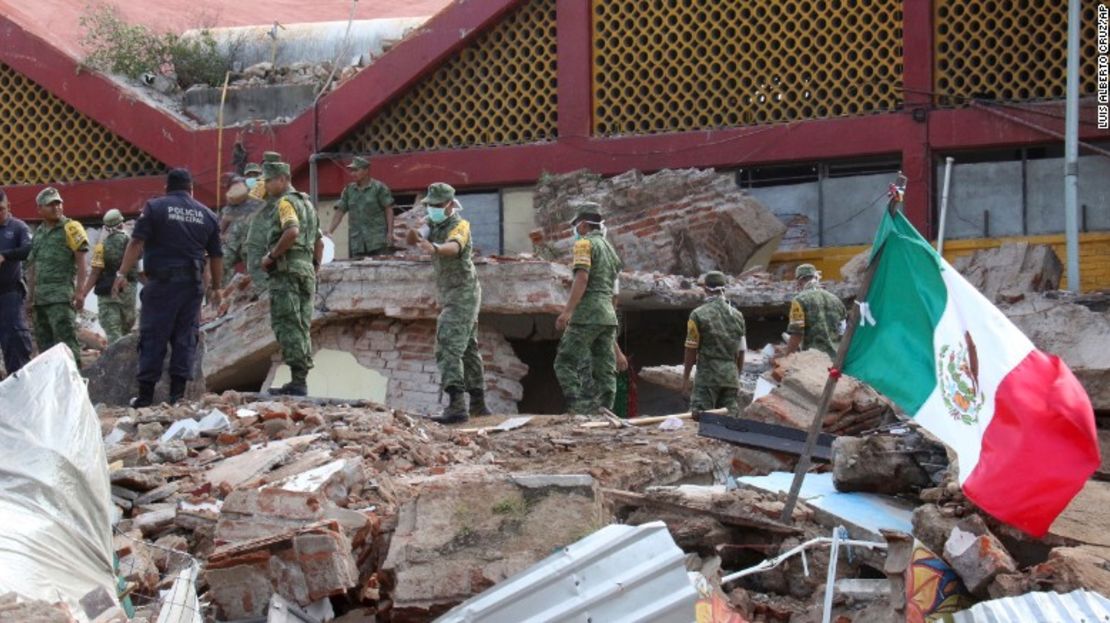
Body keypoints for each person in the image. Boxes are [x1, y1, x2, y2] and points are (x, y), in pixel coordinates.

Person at [113, 169, 222, 407]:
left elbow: (136, 242)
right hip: (192, 286)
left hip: (162, 284)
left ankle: (145, 397)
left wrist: (122, 273)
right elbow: (216, 255)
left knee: (154, 335)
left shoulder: (156, 207)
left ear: (167, 188)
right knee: (185, 337)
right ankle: (177, 397)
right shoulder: (207, 215)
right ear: (191, 189)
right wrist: (217, 287)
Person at [405, 182, 490, 423]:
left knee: (447, 344)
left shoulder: (460, 226)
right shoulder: (432, 222)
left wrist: (434, 247)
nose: (432, 209)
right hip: (452, 294)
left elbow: (453, 247)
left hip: (464, 293)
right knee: (469, 348)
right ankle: (478, 404)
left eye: (438, 205)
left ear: (451, 204)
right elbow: (416, 236)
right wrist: (415, 234)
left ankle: (456, 406)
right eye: (430, 205)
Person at [553, 201, 628, 415]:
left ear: (584, 225)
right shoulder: (609, 249)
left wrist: (567, 311)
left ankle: (579, 407)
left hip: (588, 314)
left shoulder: (584, 244)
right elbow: (614, 290)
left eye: (577, 225)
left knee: (564, 361)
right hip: (607, 316)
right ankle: (605, 410)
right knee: (604, 366)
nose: (576, 230)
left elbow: (582, 278)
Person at [259, 160, 323, 396]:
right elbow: (319, 241)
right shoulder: (307, 204)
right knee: (302, 324)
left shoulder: (285, 203)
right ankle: (300, 378)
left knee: (288, 324)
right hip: (305, 270)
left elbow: (292, 230)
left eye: (269, 180)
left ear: (283, 179)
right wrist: (313, 267)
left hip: (286, 272)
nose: (266, 185)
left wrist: (271, 256)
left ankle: (298, 381)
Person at [27, 187, 88, 367]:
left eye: (58, 203)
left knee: (67, 346)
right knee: (46, 351)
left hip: (61, 299)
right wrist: (30, 298)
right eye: (50, 205)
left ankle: (76, 387)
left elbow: (82, 262)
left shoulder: (72, 227)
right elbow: (32, 267)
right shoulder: (39, 233)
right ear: (40, 209)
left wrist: (80, 292)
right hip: (40, 301)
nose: (56, 208)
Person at [682, 271, 746, 415]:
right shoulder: (737, 315)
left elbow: (691, 349)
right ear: (724, 288)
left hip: (707, 378)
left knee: (701, 420)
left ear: (705, 288)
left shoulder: (698, 314)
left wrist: (686, 379)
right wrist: (737, 377)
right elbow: (741, 350)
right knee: (729, 423)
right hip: (730, 377)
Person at [81, 209, 137, 344]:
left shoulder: (101, 247)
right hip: (128, 294)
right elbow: (139, 272)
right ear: (121, 224)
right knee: (126, 334)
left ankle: (115, 363)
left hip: (107, 296)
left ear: (106, 227)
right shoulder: (132, 245)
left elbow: (95, 273)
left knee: (113, 335)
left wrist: (82, 295)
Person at [325, 156, 395, 258]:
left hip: (377, 241)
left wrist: (390, 233)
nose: (353, 174)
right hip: (357, 242)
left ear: (366, 170)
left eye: (356, 170)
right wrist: (330, 231)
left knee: (379, 269)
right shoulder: (349, 190)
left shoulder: (379, 188)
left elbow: (388, 210)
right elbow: (340, 211)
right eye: (352, 171)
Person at [244, 152, 289, 293]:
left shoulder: (263, 182)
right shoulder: (284, 181)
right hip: (279, 230)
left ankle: (265, 293)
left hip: (261, 231)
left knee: (256, 266)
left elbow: (251, 203)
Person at [0, 189, 33, 375]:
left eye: (1, 209)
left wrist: (5, 255)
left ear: (9, 207)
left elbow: (29, 248)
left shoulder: (18, 227)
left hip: (10, 293)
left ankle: (19, 381)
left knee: (14, 340)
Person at [785, 263, 846, 359]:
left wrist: (787, 359)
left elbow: (797, 333)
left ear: (800, 281)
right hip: (836, 360)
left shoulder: (799, 300)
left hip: (814, 361)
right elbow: (843, 332)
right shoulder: (836, 300)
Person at [219, 175, 265, 286]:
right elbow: (224, 221)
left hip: (252, 243)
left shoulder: (257, 197)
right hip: (234, 242)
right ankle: (218, 294)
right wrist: (220, 234)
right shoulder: (234, 203)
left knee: (253, 274)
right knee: (222, 264)